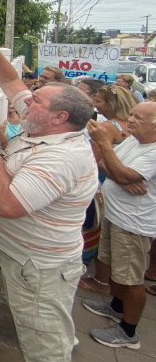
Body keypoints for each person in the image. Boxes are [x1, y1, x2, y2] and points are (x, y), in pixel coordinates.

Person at [0, 31, 97, 362]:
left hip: (38, 272)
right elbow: (10, 81)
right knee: (51, 334)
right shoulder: (44, 121)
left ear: (59, 117)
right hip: (31, 261)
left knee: (45, 350)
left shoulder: (63, 157)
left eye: (37, 99)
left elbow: (9, 206)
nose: (26, 100)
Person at [82, 102, 156, 350]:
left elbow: (116, 166)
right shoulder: (135, 141)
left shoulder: (153, 152)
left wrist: (106, 147)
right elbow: (105, 164)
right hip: (117, 215)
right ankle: (116, 306)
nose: (131, 120)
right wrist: (123, 179)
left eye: (139, 117)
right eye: (132, 114)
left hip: (133, 224)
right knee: (115, 267)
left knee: (131, 279)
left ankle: (128, 332)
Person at [78, 84, 138, 294]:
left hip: (103, 183)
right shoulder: (130, 128)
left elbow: (94, 161)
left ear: (112, 103)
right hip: (119, 185)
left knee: (94, 226)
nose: (96, 105)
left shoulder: (107, 128)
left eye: (99, 101)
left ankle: (101, 280)